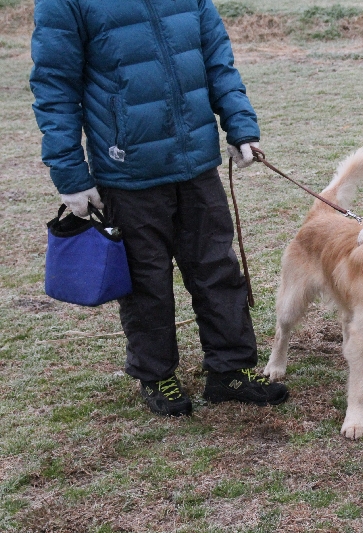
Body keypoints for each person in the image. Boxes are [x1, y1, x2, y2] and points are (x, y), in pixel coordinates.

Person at [30, 0, 289, 416]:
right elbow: (54, 87)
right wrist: (71, 175)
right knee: (145, 282)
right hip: (127, 171)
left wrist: (240, 124)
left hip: (196, 163)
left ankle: (230, 370)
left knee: (218, 270)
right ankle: (156, 375)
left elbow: (217, 60)